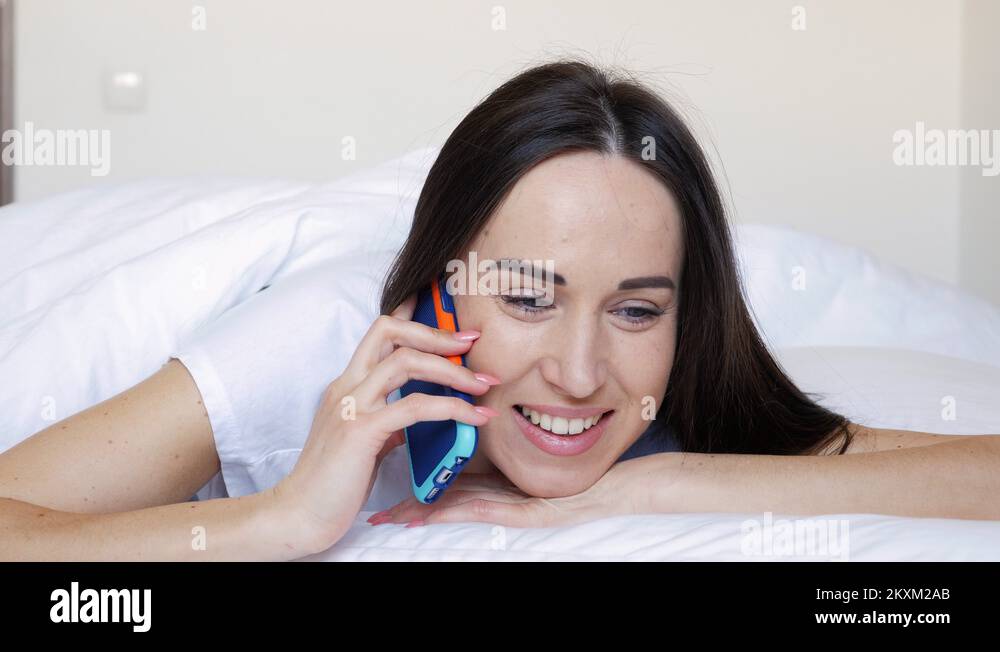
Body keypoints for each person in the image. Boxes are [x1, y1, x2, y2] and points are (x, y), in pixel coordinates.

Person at [1, 59, 997, 562]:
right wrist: (282, 517)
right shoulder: (310, 348)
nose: (575, 370)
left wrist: (652, 487)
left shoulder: (663, 380)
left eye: (635, 309)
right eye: (528, 296)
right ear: (445, 280)